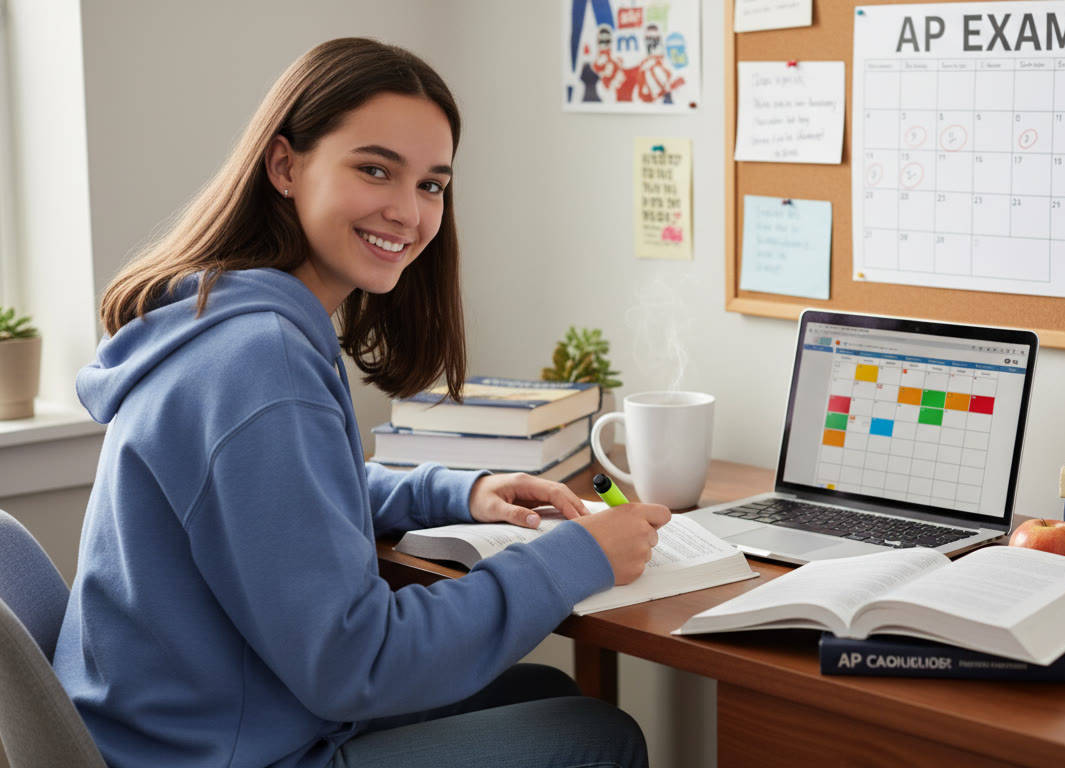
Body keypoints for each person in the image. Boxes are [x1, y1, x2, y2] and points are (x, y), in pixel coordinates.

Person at [54, 37, 668, 768]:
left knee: (537, 688)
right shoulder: (262, 363)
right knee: (600, 738)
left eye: (432, 185)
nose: (408, 213)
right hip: (219, 753)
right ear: (286, 166)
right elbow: (358, 662)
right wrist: (578, 557)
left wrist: (458, 491)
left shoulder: (221, 316)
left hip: (184, 724)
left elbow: (277, 497)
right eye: (375, 169)